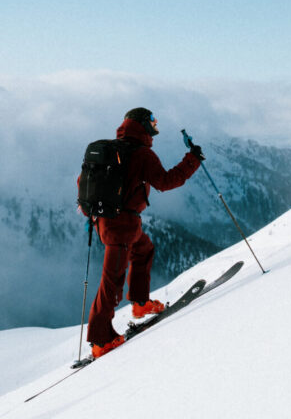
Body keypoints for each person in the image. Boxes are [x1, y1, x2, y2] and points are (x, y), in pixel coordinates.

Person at [85, 107, 204, 359]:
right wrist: (192, 160)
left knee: (144, 249)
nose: (155, 127)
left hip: (112, 222)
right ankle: (100, 340)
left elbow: (86, 185)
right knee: (111, 281)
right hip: (121, 225)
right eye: (153, 122)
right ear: (143, 125)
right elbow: (165, 181)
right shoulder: (141, 154)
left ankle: (140, 304)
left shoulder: (111, 149)